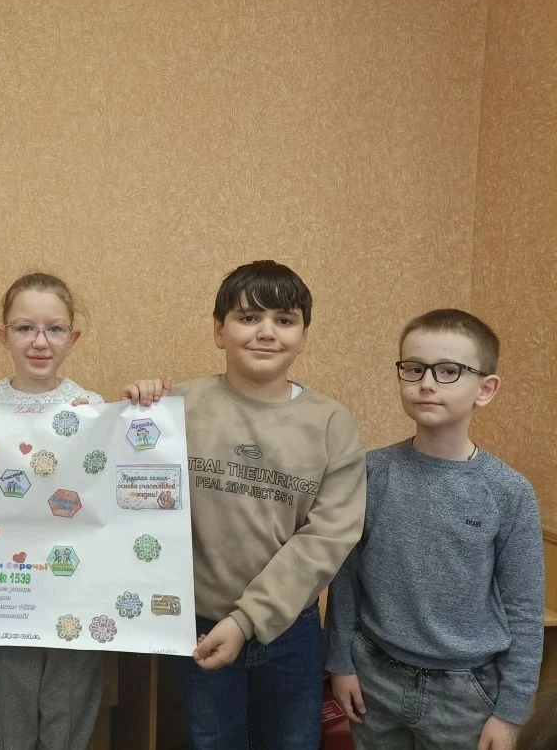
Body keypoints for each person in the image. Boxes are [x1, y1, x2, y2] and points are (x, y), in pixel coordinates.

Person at [124, 259, 366, 749]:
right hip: (198, 625)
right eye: (249, 317)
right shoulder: (176, 408)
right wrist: (135, 408)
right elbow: (127, 490)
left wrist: (246, 619)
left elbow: (327, 537)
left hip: (291, 630)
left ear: (304, 335)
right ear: (219, 330)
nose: (266, 332)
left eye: (284, 320)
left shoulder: (331, 423)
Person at [326, 308, 544, 750]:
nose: (426, 383)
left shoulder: (509, 492)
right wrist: (340, 663)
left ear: (485, 389)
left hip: (466, 693)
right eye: (414, 368)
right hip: (374, 677)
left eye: (448, 371)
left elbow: (524, 610)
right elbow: (345, 577)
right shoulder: (370, 473)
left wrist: (511, 712)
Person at [0, 271, 104, 750]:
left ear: (73, 337)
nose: (40, 342)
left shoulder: (94, 410)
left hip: (73, 595)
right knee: (3, 732)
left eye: (54, 329)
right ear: (3, 335)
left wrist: (137, 410)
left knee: (67, 730)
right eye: (25, 328)